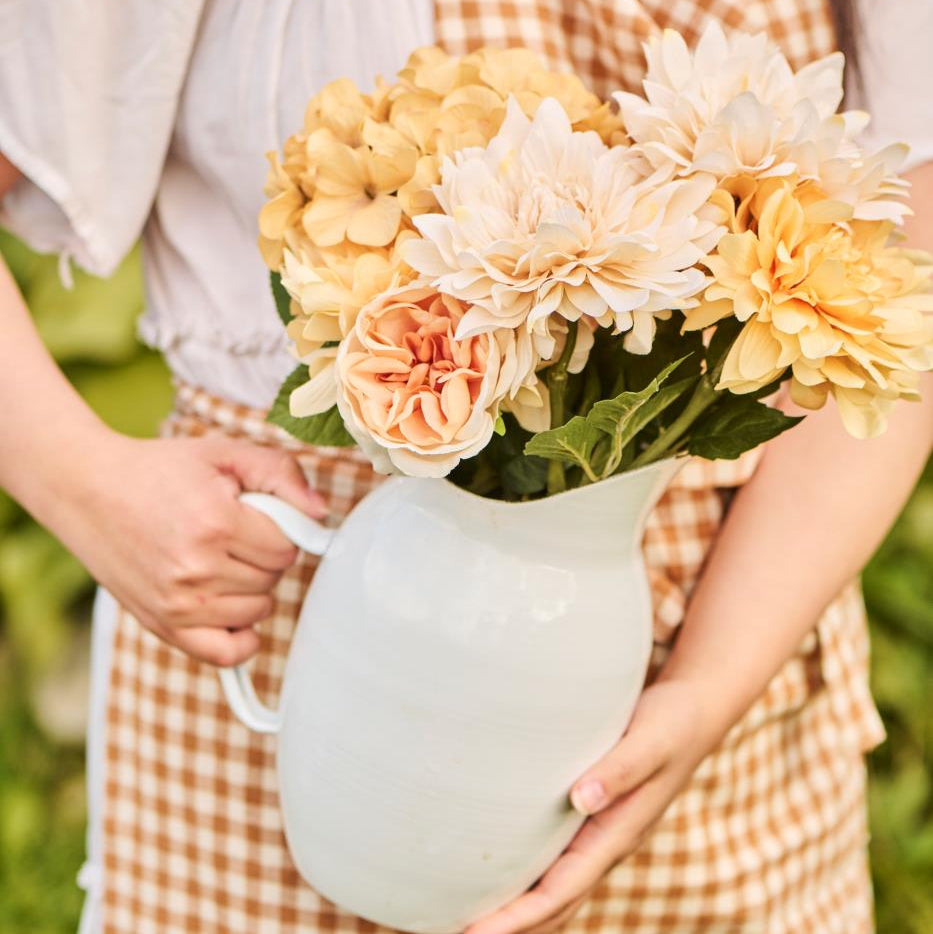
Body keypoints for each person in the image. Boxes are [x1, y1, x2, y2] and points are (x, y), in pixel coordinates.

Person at [0, 1, 930, 932]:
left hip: (725, 628)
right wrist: (82, 481)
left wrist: (710, 684)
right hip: (271, 607)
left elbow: (910, 259)